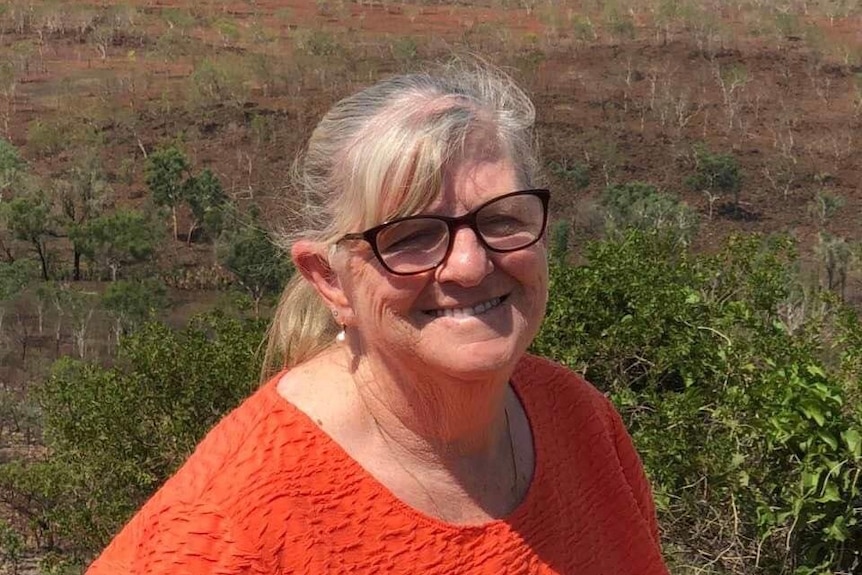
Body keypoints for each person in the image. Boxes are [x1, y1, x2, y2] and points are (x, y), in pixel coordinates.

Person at [87, 62, 670, 574]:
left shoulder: (577, 421)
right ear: (329, 279)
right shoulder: (230, 524)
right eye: (411, 237)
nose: (468, 265)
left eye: (501, 219)